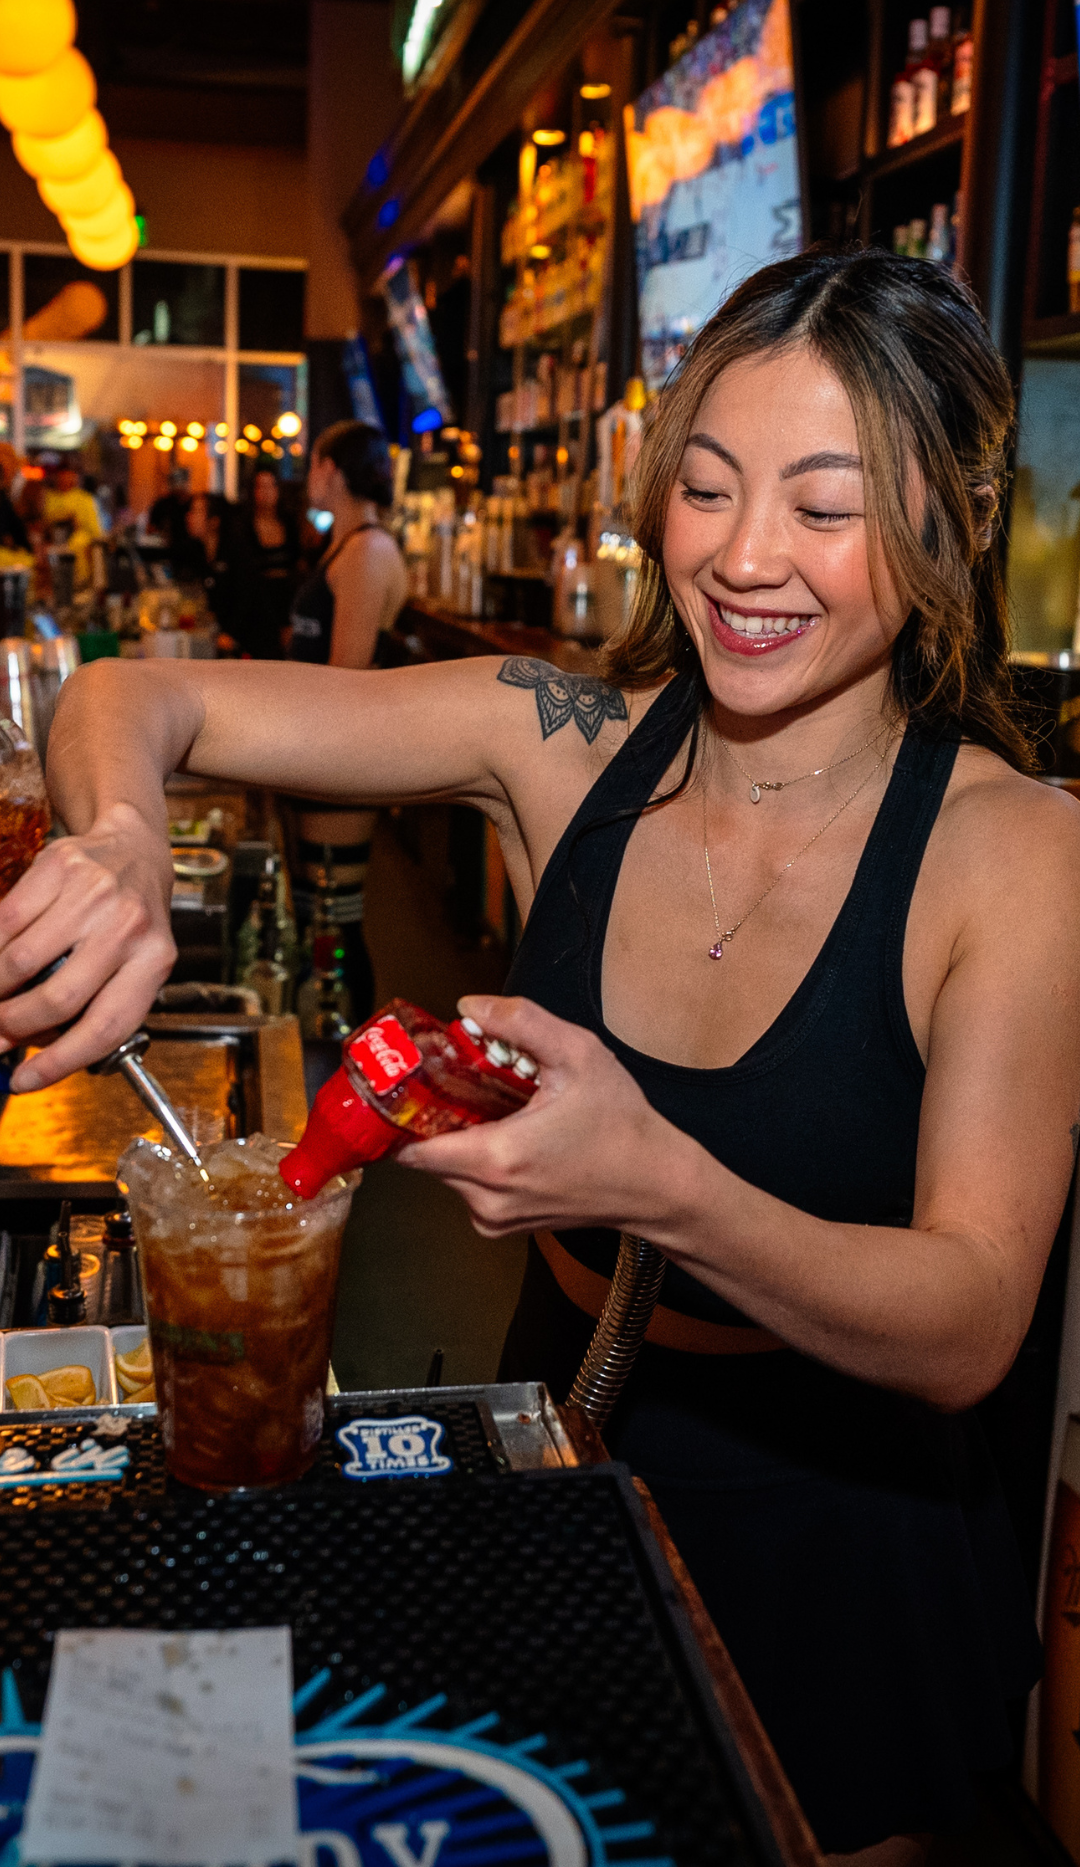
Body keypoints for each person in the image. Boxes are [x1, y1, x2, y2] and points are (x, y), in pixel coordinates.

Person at [4, 247, 1080, 1864]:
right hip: (552, 1447)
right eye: (707, 489)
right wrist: (126, 840)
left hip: (841, 1545)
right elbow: (132, 696)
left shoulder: (1014, 851)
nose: (744, 557)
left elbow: (971, 1321)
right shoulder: (556, 737)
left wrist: (662, 1186)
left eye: (824, 505)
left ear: (950, 522)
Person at [286, 420, 408, 1020]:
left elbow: (346, 676)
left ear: (331, 469)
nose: (307, 476)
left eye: (312, 462)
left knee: (334, 918)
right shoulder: (346, 544)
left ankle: (352, 1059)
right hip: (319, 756)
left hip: (340, 763)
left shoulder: (368, 551)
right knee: (318, 915)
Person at [230, 464, 300, 659]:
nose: (265, 493)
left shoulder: (289, 522)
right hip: (256, 606)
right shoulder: (243, 526)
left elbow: (296, 566)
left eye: (270, 486)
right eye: (260, 487)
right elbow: (244, 574)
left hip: (285, 599)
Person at [182, 492, 237, 651]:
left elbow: (246, 600)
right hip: (219, 638)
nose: (189, 516)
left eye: (197, 511)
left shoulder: (235, 553)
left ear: (214, 521)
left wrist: (230, 634)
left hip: (247, 646)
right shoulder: (199, 552)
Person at [43, 455, 103, 588]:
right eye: (62, 476)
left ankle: (78, 584)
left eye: (69, 476)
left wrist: (76, 524)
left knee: (77, 543)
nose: (65, 479)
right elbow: (42, 522)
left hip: (78, 539)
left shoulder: (85, 499)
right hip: (51, 539)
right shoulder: (47, 497)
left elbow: (95, 531)